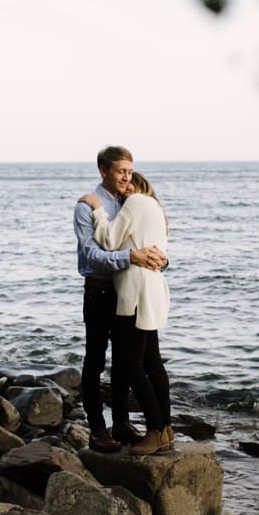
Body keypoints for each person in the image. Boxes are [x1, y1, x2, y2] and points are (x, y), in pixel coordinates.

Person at [74, 146, 167, 453]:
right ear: (104, 171)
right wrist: (132, 257)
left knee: (127, 362)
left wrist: (160, 261)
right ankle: (98, 429)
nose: (127, 176)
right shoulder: (88, 205)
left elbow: (148, 242)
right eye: (120, 171)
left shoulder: (134, 202)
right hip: (100, 291)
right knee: (95, 359)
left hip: (129, 290)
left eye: (130, 171)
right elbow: (92, 255)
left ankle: (122, 423)